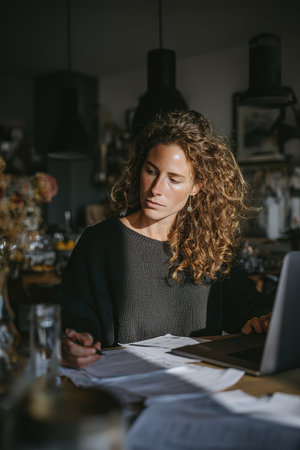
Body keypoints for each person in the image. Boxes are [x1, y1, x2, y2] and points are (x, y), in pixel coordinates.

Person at [55, 109, 273, 369]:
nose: (156, 189)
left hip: (199, 390)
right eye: (151, 171)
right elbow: (73, 319)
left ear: (197, 186)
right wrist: (76, 341)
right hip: (123, 385)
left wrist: (262, 319)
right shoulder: (99, 243)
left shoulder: (209, 249)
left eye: (174, 179)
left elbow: (252, 306)